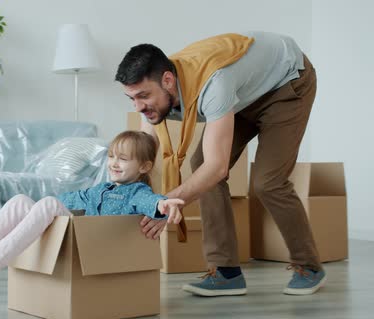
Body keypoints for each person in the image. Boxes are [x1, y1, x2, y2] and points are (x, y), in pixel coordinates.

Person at [115, 31, 325, 296]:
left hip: (286, 82)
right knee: (200, 163)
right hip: (246, 92)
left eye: (143, 96)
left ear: (167, 81)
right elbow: (145, 144)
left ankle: (310, 266)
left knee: (266, 182)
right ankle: (226, 272)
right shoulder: (161, 88)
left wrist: (167, 205)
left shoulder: (214, 85)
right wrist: (118, 180)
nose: (138, 107)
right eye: (131, 98)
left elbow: (217, 168)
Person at [0, 130, 184, 292]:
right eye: (111, 156)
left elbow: (150, 202)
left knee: (49, 204)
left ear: (145, 167)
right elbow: (64, 200)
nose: (114, 163)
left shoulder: (137, 192)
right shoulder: (98, 189)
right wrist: (33, 211)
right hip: (74, 238)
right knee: (20, 201)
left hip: (91, 246)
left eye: (123, 159)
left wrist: (163, 205)